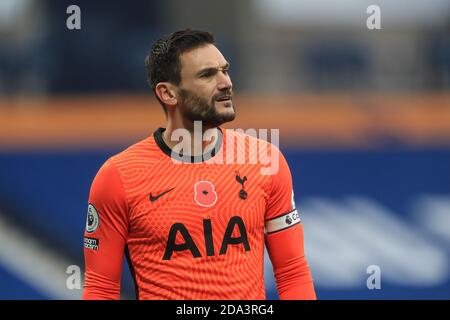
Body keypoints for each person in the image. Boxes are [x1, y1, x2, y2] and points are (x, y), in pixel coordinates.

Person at [82, 29, 316, 300]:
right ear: (168, 93)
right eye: (207, 75)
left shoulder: (265, 161)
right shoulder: (118, 177)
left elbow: (292, 272)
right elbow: (101, 289)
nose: (226, 82)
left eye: (225, 70)